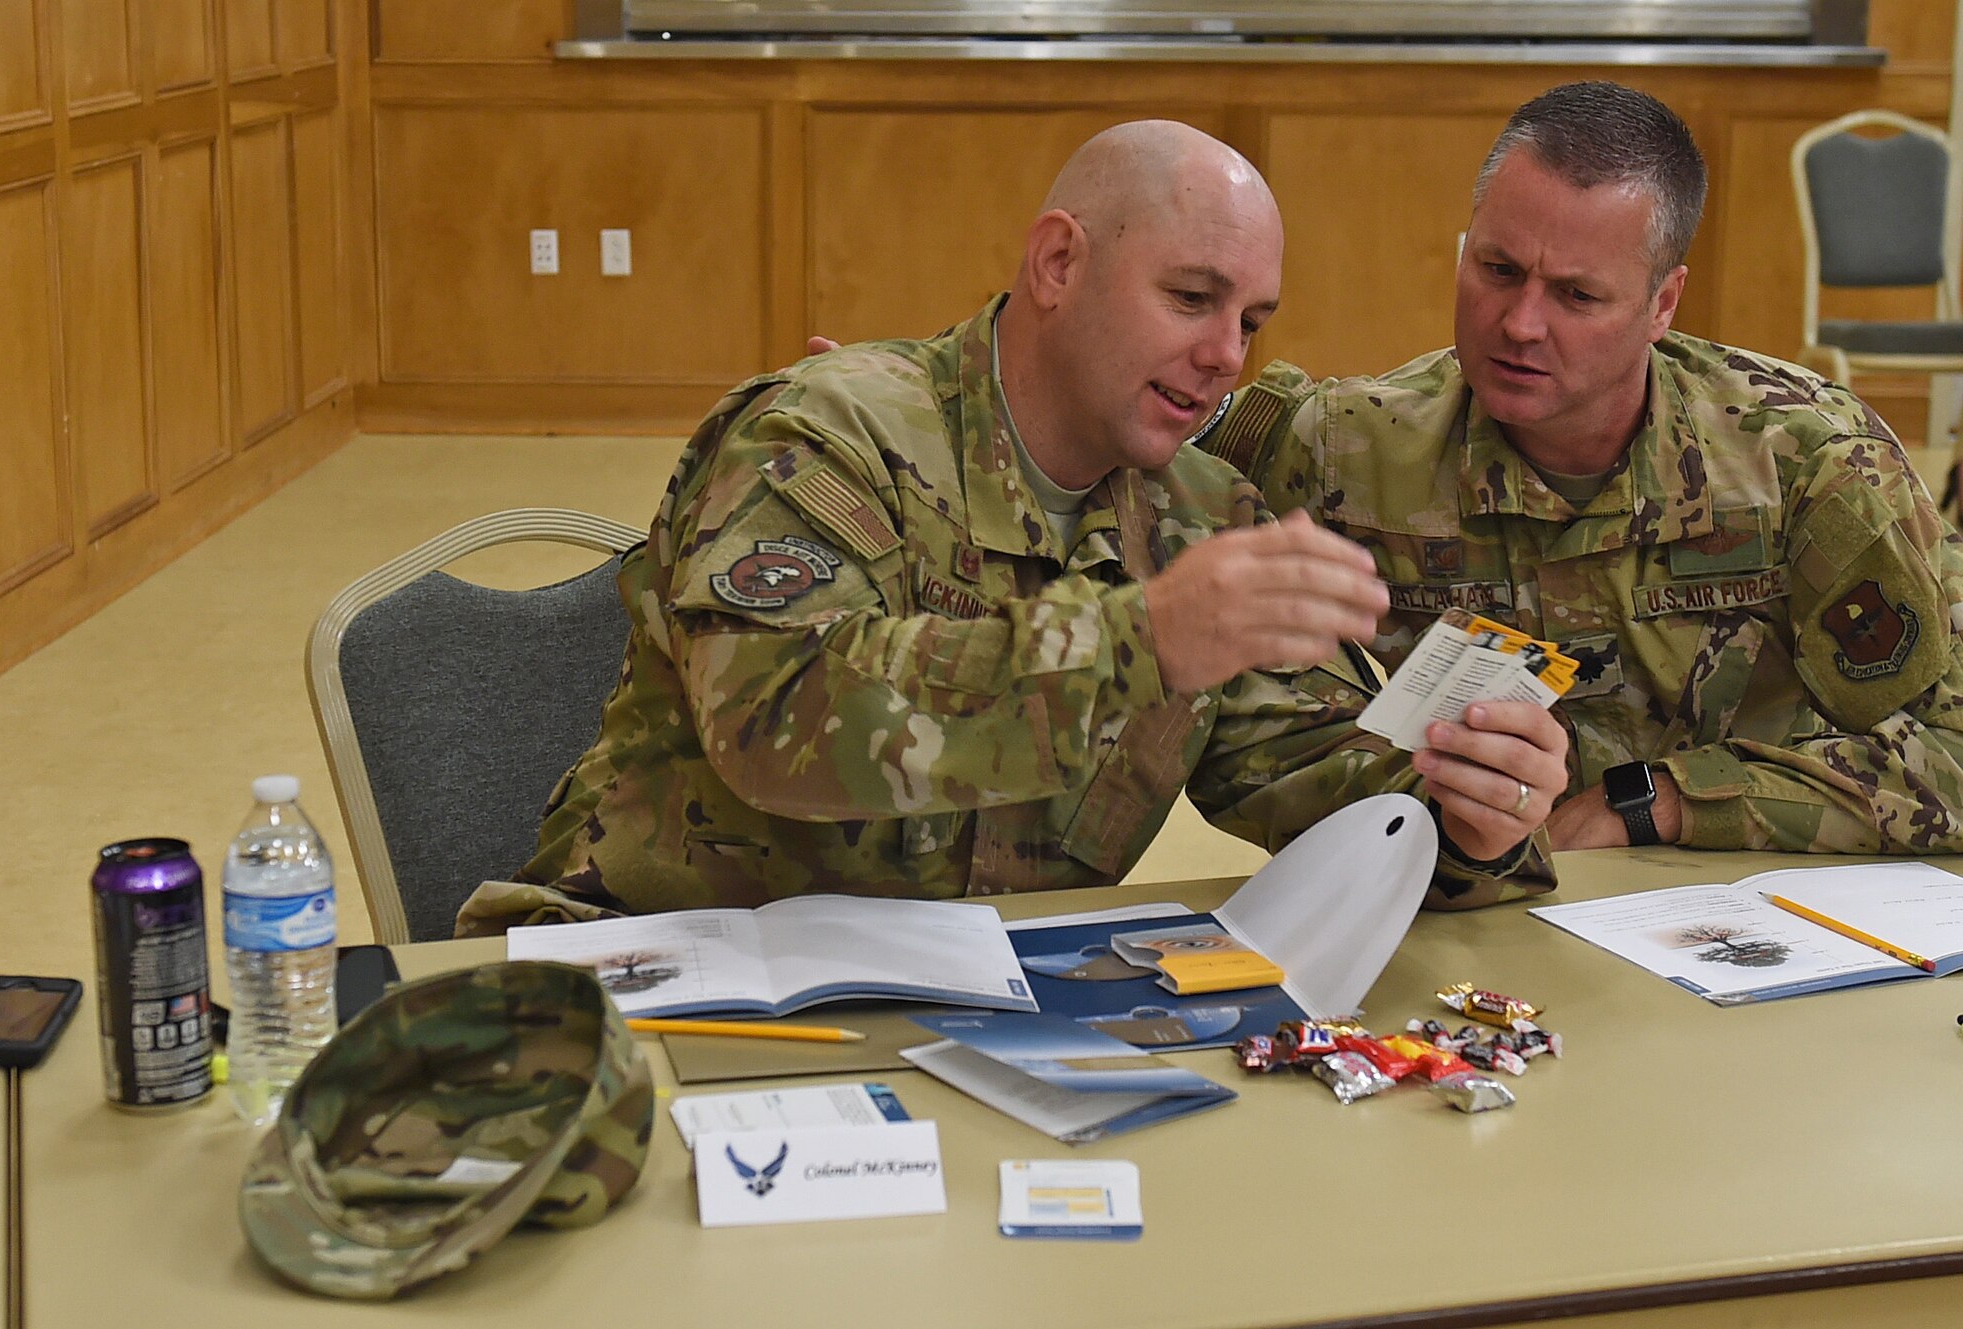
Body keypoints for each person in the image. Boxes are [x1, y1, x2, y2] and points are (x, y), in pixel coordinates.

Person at [456, 121, 1566, 936]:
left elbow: (1308, 774)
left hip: (971, 1023)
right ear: (1056, 262)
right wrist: (1143, 642)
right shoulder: (828, 436)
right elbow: (775, 719)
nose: (1228, 355)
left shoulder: (1195, 517)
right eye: (1190, 299)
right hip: (670, 975)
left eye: (1250, 321)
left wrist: (1460, 814)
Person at [1199, 81, 1963, 905]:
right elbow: (1250, 742)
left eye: (1576, 295)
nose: (1521, 324)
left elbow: (1949, 750)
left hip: (1717, 923)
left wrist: (1659, 801)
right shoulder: (1341, 455)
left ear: (1661, 303)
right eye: (1497, 269)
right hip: (1449, 918)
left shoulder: (1805, 464)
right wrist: (1459, 826)